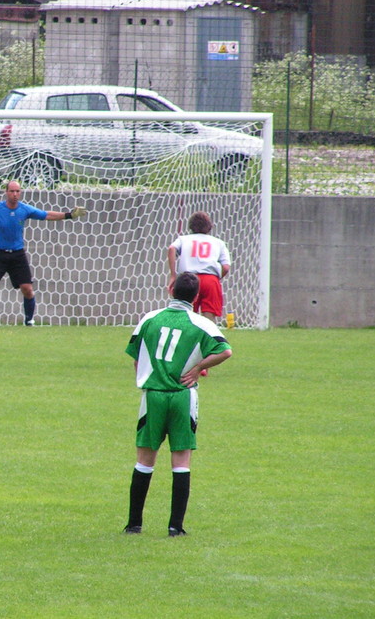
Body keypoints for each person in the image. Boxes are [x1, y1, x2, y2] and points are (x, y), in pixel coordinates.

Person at [123, 272, 232, 537]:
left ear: (171, 289)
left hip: (153, 396)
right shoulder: (200, 323)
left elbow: (136, 356)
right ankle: (175, 527)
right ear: (196, 297)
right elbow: (225, 350)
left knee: (144, 461)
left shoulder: (149, 318)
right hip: (183, 396)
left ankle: (134, 524)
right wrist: (198, 368)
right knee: (181, 461)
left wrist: (148, 374)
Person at [0, 180, 86, 326]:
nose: (15, 194)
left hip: (17, 255)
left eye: (17, 191)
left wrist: (69, 215)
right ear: (6, 192)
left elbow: (46, 215)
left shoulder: (24, 209)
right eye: (12, 191)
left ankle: (29, 321)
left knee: (28, 289)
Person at [167, 211, 230, 323]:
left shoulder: (184, 239)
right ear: (209, 227)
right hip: (211, 280)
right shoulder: (218, 242)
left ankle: (187, 338)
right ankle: (208, 338)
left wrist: (173, 275)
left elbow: (171, 248)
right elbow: (226, 267)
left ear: (191, 226)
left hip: (189, 279)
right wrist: (216, 278)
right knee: (209, 319)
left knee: (187, 315)